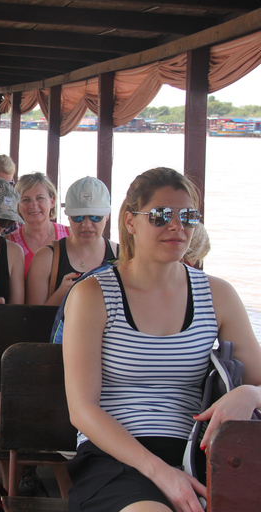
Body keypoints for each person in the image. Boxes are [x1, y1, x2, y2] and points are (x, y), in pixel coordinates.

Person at [62, 167, 261, 512]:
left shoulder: (218, 295)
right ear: (130, 222)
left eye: (188, 216)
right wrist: (162, 473)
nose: (176, 226)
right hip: (117, 457)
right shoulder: (93, 295)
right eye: (160, 216)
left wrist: (250, 393)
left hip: (204, 452)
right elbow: (83, 410)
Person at [27, 177, 118, 306]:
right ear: (68, 217)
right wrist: (60, 295)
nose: (86, 225)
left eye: (95, 217)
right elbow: (32, 319)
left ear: (107, 216)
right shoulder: (46, 258)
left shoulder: (124, 258)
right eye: (78, 217)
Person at [8, 172, 70, 274]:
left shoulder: (70, 236)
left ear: (52, 201)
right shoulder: (9, 243)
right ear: (17, 205)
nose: (33, 205)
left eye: (40, 198)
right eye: (26, 199)